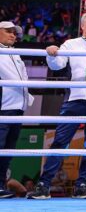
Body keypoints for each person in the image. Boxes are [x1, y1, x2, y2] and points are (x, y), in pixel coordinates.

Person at [28, 12, 86, 199]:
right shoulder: (71, 44)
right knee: (60, 142)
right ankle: (43, 184)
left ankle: (81, 184)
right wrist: (52, 53)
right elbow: (57, 65)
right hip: (74, 101)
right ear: (83, 27)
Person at [0, 21, 34, 199]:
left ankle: (0, 185)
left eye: (15, 33)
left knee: (8, 149)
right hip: (3, 107)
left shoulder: (15, 54)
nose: (13, 35)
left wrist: (27, 100)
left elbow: (23, 79)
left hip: (17, 108)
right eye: (8, 32)